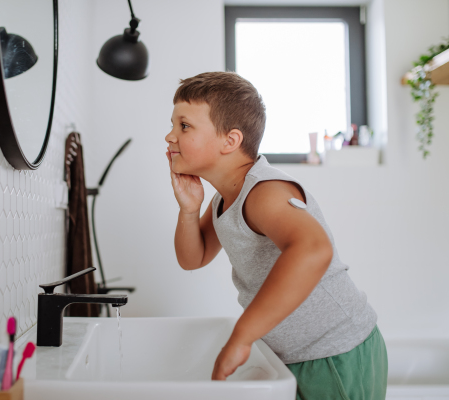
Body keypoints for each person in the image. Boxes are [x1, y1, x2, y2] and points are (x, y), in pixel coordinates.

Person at [165, 71, 388, 399]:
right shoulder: (224, 198)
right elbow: (192, 258)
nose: (170, 137)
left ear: (231, 140)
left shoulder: (264, 192)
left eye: (183, 126)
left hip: (334, 352)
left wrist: (241, 338)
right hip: (296, 354)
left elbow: (313, 249)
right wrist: (188, 209)